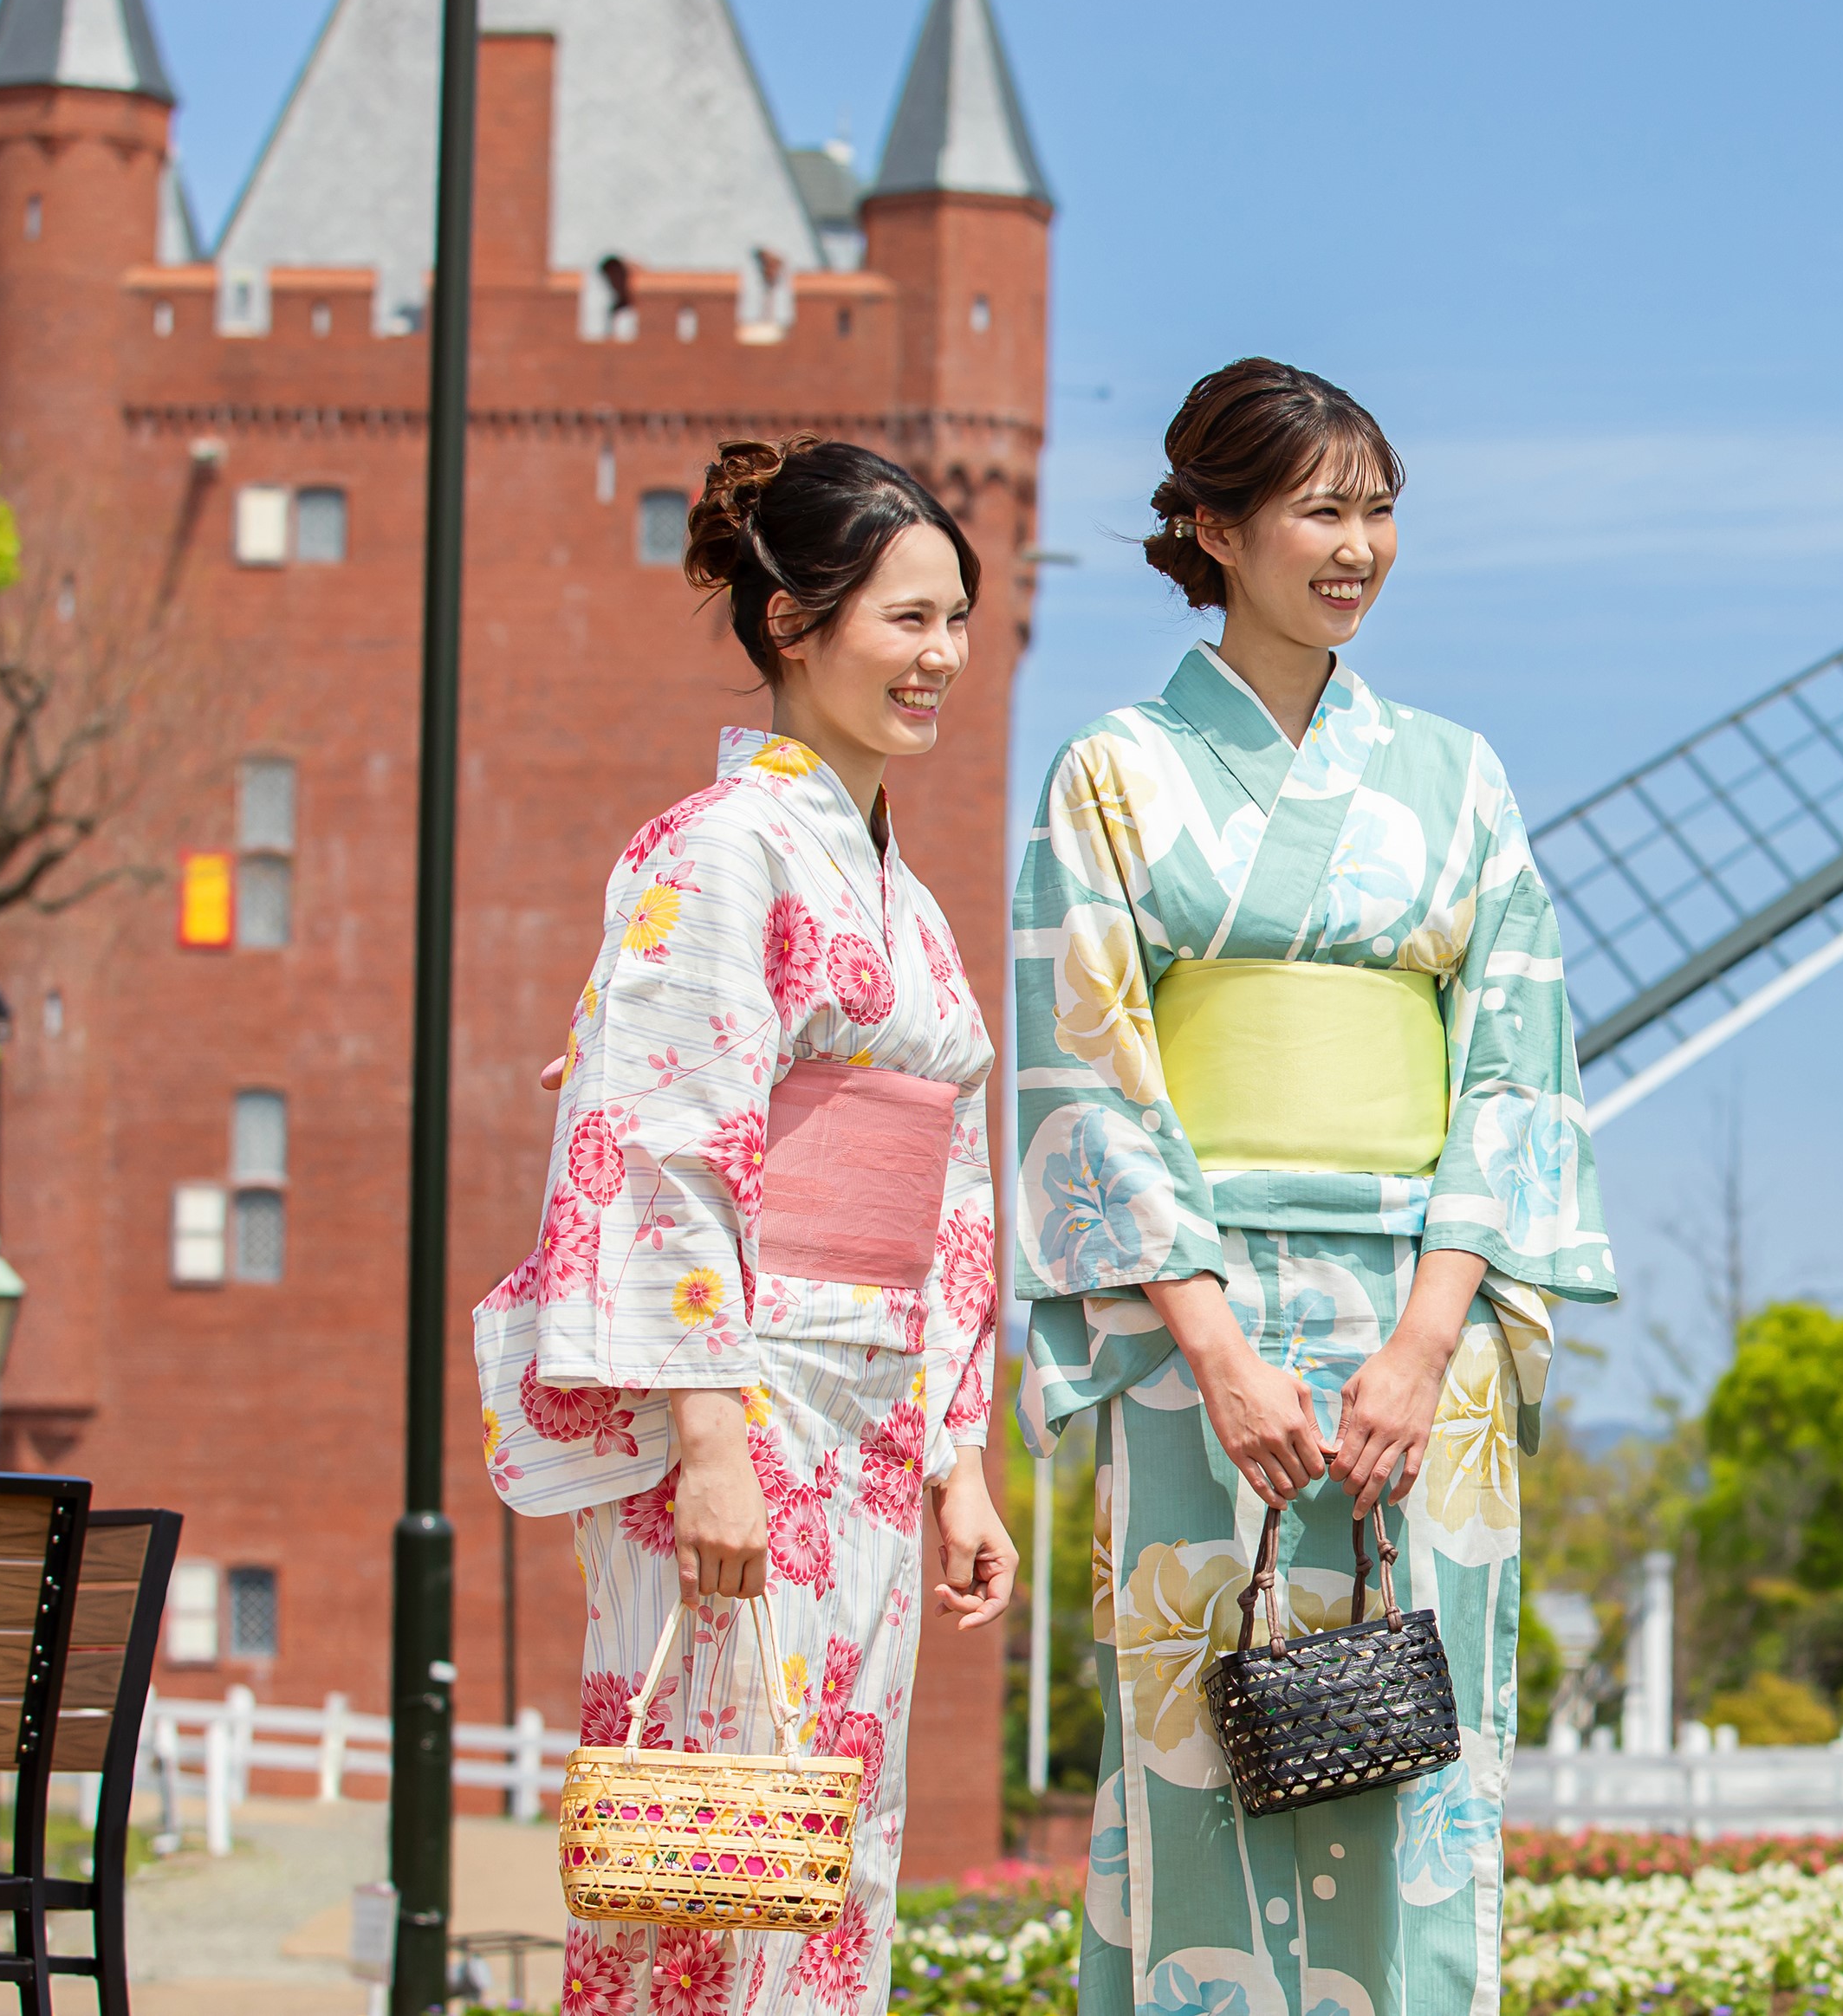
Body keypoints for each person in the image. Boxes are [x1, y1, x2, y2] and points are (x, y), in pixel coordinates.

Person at [1013, 359, 1615, 2016]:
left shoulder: (1458, 777)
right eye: (1318, 511)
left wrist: (1427, 1348)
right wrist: (1210, 1351)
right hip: (1195, 1321)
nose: (1358, 547)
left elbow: (1515, 1063)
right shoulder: (1113, 772)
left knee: (1423, 1764)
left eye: (1378, 510)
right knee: (1203, 1744)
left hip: (1424, 1319)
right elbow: (1091, 1076)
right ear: (1212, 528)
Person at [471, 435, 1019, 2014]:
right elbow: (654, 1137)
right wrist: (707, 1430)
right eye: (906, 619)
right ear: (795, 625)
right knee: (710, 1838)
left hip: (860, 1405)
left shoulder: (899, 893)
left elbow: (954, 1191)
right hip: (742, 1398)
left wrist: (954, 1456)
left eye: (958, 621)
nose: (944, 658)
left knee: (829, 1839)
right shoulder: (715, 850)